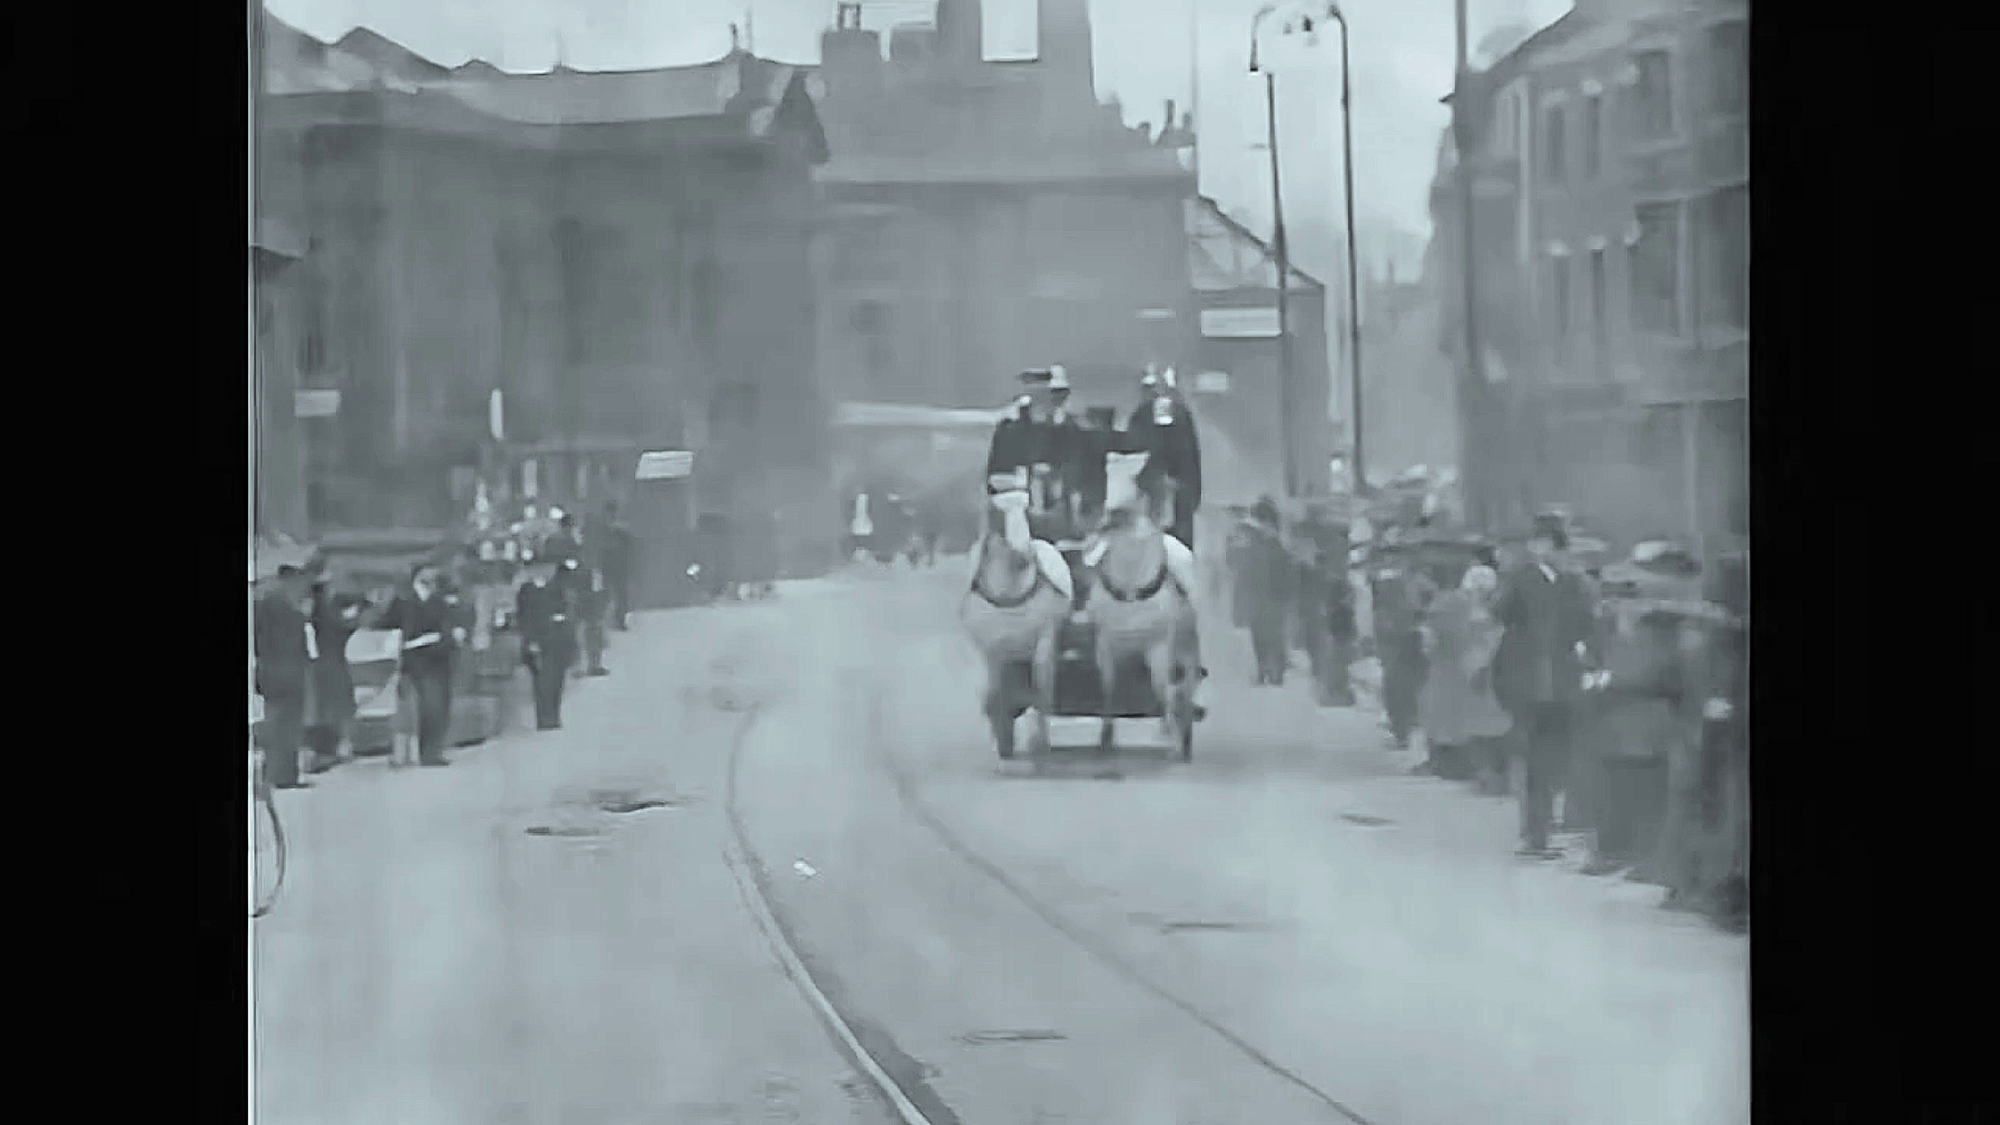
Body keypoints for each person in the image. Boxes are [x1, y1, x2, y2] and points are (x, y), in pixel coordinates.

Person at [1493, 511, 1602, 859]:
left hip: (1562, 684)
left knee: (1558, 758)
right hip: (1528, 685)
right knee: (1534, 760)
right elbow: (1501, 615)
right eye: (1540, 544)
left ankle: (1552, 825)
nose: (1546, 551)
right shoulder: (1521, 580)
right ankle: (1535, 834)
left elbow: (1586, 627)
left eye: (1552, 546)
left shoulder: (1572, 585)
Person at [1418, 564, 1513, 781]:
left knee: (1453, 718)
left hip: (1461, 671)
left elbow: (1431, 640)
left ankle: (1458, 764)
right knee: (1465, 719)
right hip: (1471, 672)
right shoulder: (1486, 608)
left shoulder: (1449, 604)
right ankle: (1474, 767)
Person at [377, 561, 465, 767]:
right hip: (412, 661)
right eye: (428, 574)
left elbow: (451, 625)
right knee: (409, 709)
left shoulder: (441, 602)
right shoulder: (403, 602)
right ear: (417, 576)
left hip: (438, 660)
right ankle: (405, 753)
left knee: (436, 707)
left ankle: (431, 753)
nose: (432, 577)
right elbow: (387, 625)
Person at [1124, 368, 1203, 552]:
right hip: (1167, 491)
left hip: (1168, 490)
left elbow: (1166, 447)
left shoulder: (1164, 413)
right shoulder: (1146, 414)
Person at [253, 565, 315, 789]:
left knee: (288, 726)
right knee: (280, 725)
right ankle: (277, 775)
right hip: (278, 672)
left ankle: (285, 775)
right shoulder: (270, 603)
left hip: (287, 671)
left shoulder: (284, 601)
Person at [303, 558, 364, 773]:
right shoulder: (324, 607)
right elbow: (338, 629)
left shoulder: (318, 606)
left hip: (326, 662)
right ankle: (334, 749)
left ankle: (329, 749)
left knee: (329, 707)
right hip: (331, 662)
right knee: (335, 706)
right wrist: (355, 619)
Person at [1370, 545, 1432, 751]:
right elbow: (1380, 611)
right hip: (1397, 638)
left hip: (1409, 637)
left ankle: (1405, 728)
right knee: (1398, 684)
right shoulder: (1390, 582)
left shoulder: (1421, 583)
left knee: (1406, 685)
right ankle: (1402, 730)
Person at [1234, 497, 1295, 686]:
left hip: (1272, 599)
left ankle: (1274, 672)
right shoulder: (1257, 545)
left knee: (1272, 636)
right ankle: (1265, 671)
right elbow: (1244, 573)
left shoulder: (1273, 547)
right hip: (1263, 598)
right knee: (1262, 636)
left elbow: (1287, 575)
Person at [515, 551, 577, 730]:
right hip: (538, 640)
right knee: (542, 680)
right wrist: (530, 640)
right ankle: (543, 717)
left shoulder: (556, 588)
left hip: (558, 638)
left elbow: (566, 611)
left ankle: (554, 714)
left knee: (557, 679)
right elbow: (524, 617)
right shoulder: (526, 591)